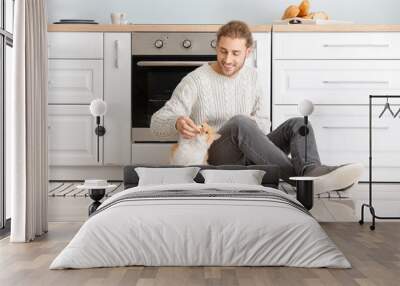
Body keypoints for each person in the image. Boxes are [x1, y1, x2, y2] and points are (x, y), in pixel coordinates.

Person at [150, 20, 363, 193]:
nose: (227, 59)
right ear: (217, 47)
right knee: (239, 122)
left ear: (248, 52)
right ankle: (307, 180)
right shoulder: (195, 80)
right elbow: (157, 122)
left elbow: (263, 124)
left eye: (235, 53)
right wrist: (177, 122)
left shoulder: (252, 78)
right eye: (223, 51)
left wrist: (252, 126)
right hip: (213, 156)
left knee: (298, 124)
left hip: (248, 153)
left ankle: (311, 171)